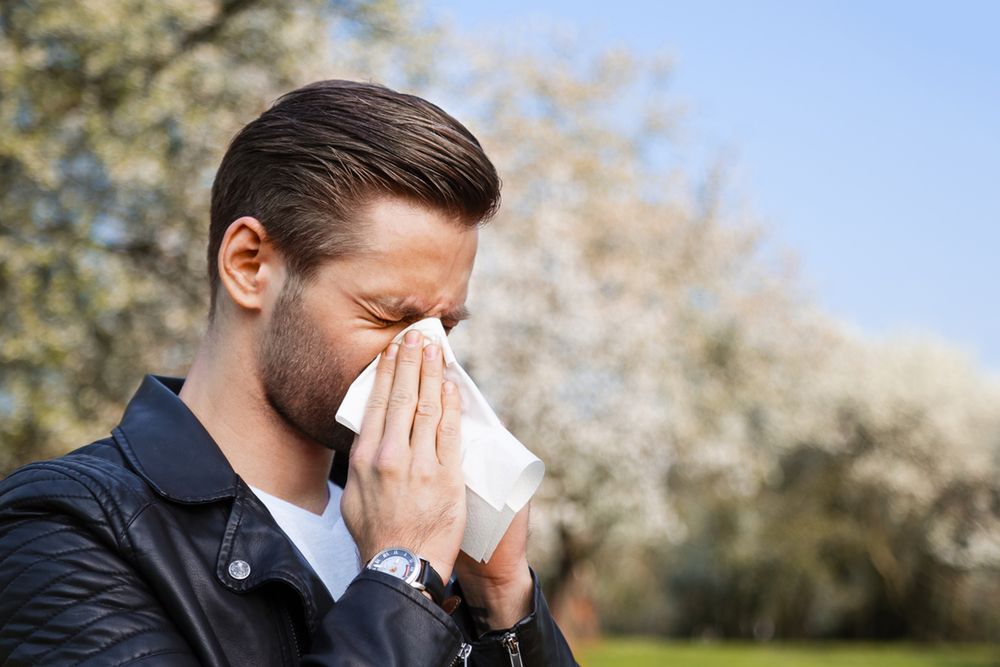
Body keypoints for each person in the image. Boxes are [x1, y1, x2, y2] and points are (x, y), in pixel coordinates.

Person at [0, 80, 577, 666]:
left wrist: (504, 600)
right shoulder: (63, 531)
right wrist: (403, 573)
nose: (430, 361)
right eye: (390, 316)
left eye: (445, 328)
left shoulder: (433, 539)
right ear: (249, 265)